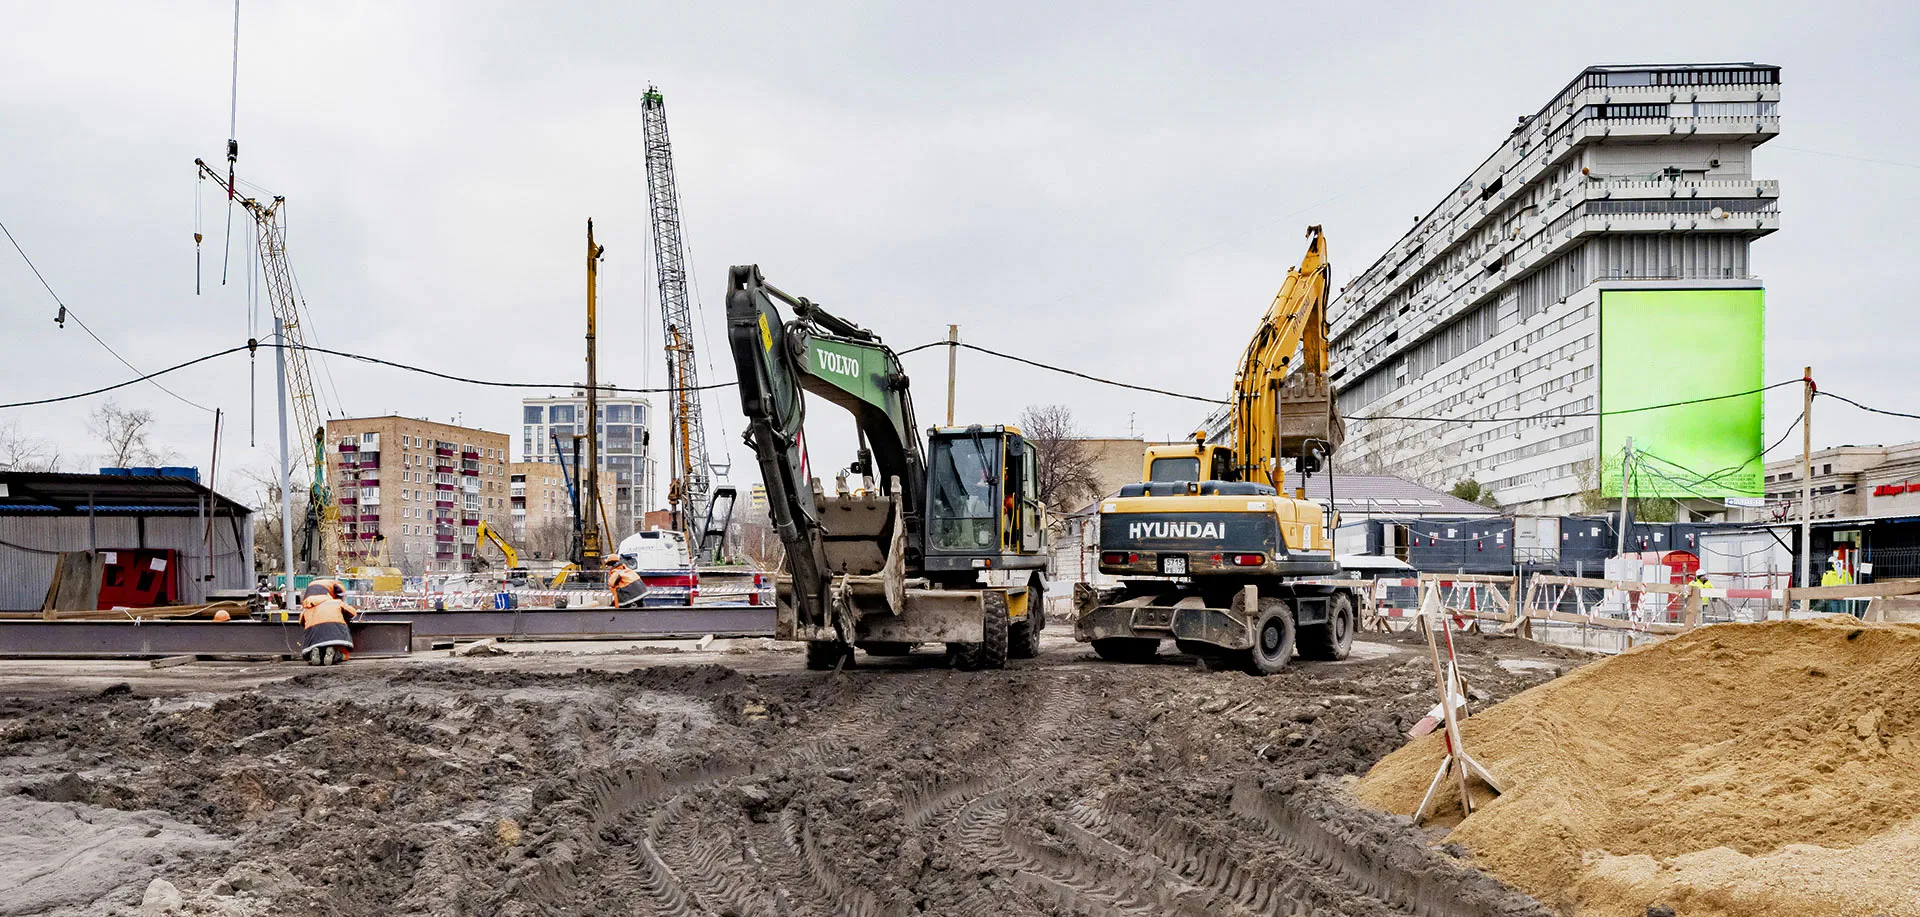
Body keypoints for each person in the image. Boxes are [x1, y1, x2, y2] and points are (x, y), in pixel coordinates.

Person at [298, 579, 358, 666]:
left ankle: (314, 653)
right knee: (342, 652)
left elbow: (301, 621)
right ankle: (335, 653)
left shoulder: (307, 609)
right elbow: (352, 613)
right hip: (336, 634)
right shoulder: (336, 603)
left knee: (315, 648)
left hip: (313, 638)